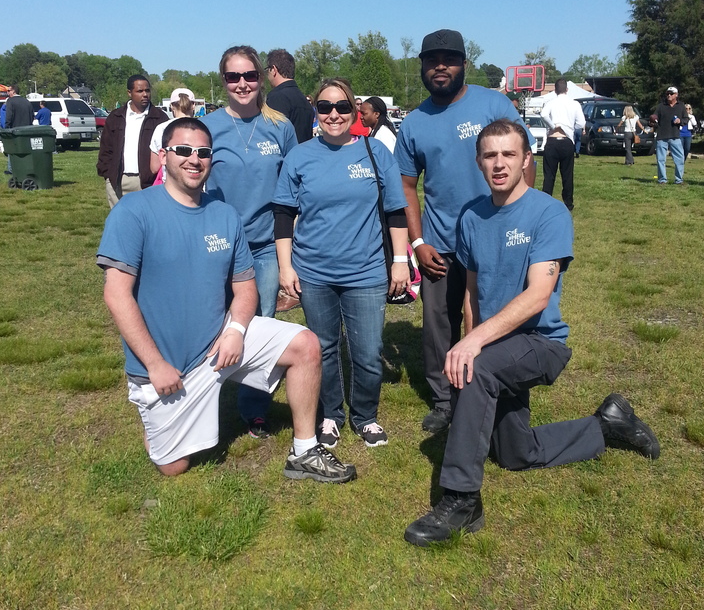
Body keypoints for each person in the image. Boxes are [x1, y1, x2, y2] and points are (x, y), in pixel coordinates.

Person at [404, 120, 659, 545]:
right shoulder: (471, 215)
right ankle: (607, 425)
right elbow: (471, 293)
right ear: (479, 162)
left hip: (541, 342)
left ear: (526, 160)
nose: (499, 164)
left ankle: (462, 500)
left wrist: (474, 345)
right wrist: (471, 340)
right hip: (496, 345)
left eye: (508, 155)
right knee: (516, 454)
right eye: (490, 156)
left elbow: (539, 296)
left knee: (479, 367)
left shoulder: (548, 212)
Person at [97, 116, 356, 484]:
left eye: (203, 152)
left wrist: (235, 330)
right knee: (175, 467)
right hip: (168, 366)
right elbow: (116, 295)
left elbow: (246, 286)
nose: (194, 159)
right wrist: (155, 364)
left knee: (306, 344)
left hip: (221, 344)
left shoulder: (224, 215)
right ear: (164, 155)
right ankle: (153, 412)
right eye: (183, 150)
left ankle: (304, 451)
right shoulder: (134, 211)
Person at [394, 29, 535, 434]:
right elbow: (406, 187)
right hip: (440, 245)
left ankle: (492, 391)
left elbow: (524, 161)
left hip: (495, 238)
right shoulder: (414, 122)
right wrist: (418, 243)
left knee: (492, 318)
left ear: (463, 65)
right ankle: (444, 399)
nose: (441, 66)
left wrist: (524, 221)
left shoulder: (493, 103)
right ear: (421, 66)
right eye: (432, 59)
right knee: (439, 323)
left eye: (449, 59)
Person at [274, 77, 410, 449]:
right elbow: (284, 215)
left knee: (367, 352)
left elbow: (395, 211)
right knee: (325, 349)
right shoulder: (300, 156)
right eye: (324, 107)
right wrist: (286, 267)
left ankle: (365, 416)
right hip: (313, 272)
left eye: (342, 107)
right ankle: (331, 415)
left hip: (365, 272)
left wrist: (400, 261)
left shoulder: (375, 151)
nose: (333, 114)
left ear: (354, 110)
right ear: (315, 111)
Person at [205, 46, 298, 439]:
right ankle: (200, 403)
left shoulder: (281, 127)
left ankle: (254, 407)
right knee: (209, 324)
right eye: (233, 77)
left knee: (259, 325)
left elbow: (297, 186)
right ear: (223, 81)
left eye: (249, 76)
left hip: (263, 247)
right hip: (216, 245)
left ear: (261, 77)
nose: (242, 84)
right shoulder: (207, 127)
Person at [97, 75, 168, 208]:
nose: (145, 94)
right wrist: (108, 174)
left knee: (147, 223)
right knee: (120, 224)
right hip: (117, 180)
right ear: (129, 93)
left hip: (147, 182)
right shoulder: (115, 117)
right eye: (140, 91)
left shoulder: (159, 118)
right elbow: (106, 149)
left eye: (147, 90)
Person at [539, 78, 584, 210]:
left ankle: (545, 202)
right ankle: (568, 203)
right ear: (567, 90)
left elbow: (543, 114)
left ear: (555, 90)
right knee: (567, 174)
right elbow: (581, 123)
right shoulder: (574, 104)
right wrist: (569, 128)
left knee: (549, 175)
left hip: (552, 140)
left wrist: (553, 126)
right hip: (566, 140)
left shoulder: (551, 102)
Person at [265, 49, 314, 144]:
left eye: (267, 70)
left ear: (274, 70)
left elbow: (272, 136)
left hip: (285, 156)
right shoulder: (303, 99)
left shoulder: (277, 98)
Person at [149, 87, 196, 182]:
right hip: (197, 185)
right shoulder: (202, 129)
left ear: (171, 106)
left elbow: (154, 168)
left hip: (170, 185)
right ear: (193, 105)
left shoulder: (161, 128)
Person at [654, 86, 688, 184]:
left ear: (676, 95)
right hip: (661, 136)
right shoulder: (661, 106)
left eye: (671, 93)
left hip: (675, 136)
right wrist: (653, 121)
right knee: (661, 159)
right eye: (667, 94)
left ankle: (679, 180)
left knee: (680, 159)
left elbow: (686, 119)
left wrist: (680, 121)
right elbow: (654, 118)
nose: (669, 95)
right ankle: (662, 180)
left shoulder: (681, 106)